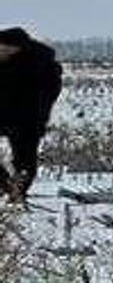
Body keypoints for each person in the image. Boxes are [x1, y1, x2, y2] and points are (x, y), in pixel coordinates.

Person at [0, 27, 63, 201]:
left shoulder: (41, 64)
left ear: (18, 47)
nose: (1, 51)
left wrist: (37, 114)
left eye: (4, 48)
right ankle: (6, 186)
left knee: (25, 160)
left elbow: (50, 93)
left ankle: (18, 192)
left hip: (28, 119)